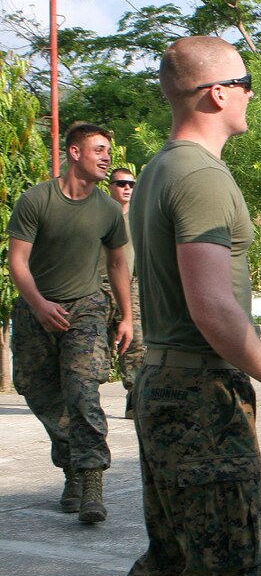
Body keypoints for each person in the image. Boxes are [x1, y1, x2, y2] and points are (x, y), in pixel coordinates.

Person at [90, 36, 261, 576]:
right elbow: (212, 306)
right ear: (216, 93)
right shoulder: (201, 176)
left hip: (163, 383)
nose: (250, 95)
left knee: (174, 555)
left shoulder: (158, 169)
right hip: (201, 396)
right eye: (244, 83)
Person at [7, 122, 133, 524]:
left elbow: (117, 264)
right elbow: (17, 262)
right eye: (98, 150)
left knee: (82, 393)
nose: (106, 157)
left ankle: (92, 483)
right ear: (74, 153)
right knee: (40, 393)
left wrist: (127, 316)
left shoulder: (109, 210)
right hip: (35, 311)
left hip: (86, 309)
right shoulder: (36, 200)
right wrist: (40, 305)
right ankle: (72, 470)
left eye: (108, 151)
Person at [103, 167, 145, 418]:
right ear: (110, 186)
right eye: (121, 184)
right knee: (97, 341)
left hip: (131, 285)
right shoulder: (99, 213)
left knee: (136, 341)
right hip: (99, 285)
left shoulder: (140, 217)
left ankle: (135, 397)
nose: (127, 188)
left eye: (131, 184)